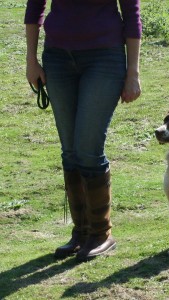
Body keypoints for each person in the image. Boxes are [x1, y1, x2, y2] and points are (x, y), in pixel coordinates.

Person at [24, 0, 142, 262]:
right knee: (70, 151)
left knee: (88, 148)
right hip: (57, 58)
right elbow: (34, 7)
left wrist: (133, 71)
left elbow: (131, 14)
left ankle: (101, 234)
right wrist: (31, 60)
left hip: (104, 57)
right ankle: (82, 232)